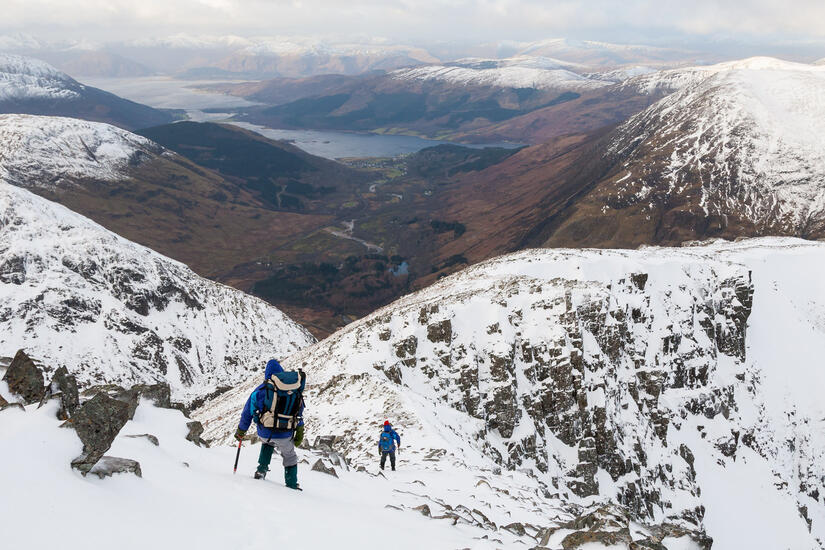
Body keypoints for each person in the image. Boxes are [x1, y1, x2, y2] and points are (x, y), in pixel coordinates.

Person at [235, 359, 306, 490]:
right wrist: (299, 431)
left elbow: (247, 413)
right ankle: (291, 485)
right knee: (290, 456)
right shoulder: (293, 392)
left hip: (264, 432)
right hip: (285, 434)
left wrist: (241, 431)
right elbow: (298, 413)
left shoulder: (261, 390)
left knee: (267, 443)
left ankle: (261, 470)